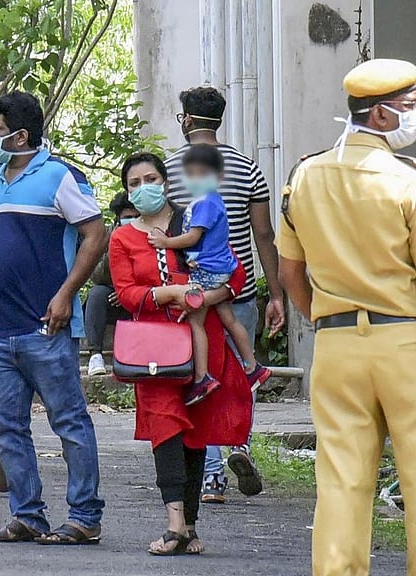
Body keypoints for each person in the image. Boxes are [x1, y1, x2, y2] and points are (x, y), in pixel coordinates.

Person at [278, 58, 416, 576]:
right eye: (410, 106)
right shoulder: (409, 180)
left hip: (335, 348)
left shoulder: (304, 176)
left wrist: (326, 322)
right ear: (379, 116)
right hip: (408, 346)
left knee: (341, 482)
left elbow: (292, 275)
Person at [0, 91, 107, 545]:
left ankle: (85, 515)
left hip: (45, 325)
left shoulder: (58, 176)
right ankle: (28, 513)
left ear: (20, 135)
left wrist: (65, 294)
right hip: (0, 327)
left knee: (69, 420)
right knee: (8, 426)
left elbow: (95, 233)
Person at [109, 152, 253, 555]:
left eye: (150, 178)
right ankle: (174, 523)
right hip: (153, 348)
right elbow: (126, 294)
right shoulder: (122, 237)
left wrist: (213, 294)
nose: (143, 188)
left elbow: (233, 269)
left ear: (166, 182)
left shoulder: (195, 219)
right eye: (134, 183)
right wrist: (168, 293)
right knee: (165, 426)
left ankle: (189, 525)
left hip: (202, 340)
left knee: (196, 431)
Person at [165, 86, 285, 503]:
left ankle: (212, 475)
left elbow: (166, 232)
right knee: (241, 375)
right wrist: (277, 296)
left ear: (187, 119)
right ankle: (239, 445)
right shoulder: (247, 167)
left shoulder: (170, 169)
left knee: (201, 378)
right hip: (238, 287)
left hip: (192, 291)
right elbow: (264, 235)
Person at [150, 145, 271, 405]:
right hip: (219, 269)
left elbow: (193, 236)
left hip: (208, 271)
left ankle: (202, 378)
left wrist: (165, 242)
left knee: (196, 322)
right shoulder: (209, 200)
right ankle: (252, 367)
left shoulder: (205, 202)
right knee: (228, 319)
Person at [84, 192, 139, 377]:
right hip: (112, 297)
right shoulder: (107, 235)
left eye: (136, 217)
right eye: (127, 218)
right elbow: (96, 275)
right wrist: (114, 243)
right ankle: (95, 354)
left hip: (140, 297)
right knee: (97, 294)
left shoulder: (151, 233)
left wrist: (127, 291)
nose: (131, 221)